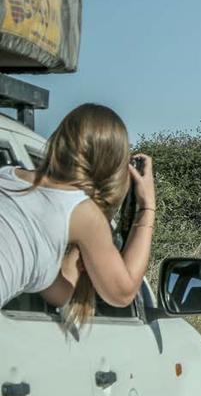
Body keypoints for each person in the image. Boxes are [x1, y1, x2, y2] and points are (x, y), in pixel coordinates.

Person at [0, 103, 156, 328]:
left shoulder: (6, 175)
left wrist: (78, 249)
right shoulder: (82, 212)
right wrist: (147, 207)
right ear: (111, 162)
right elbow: (122, 293)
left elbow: (59, 293)